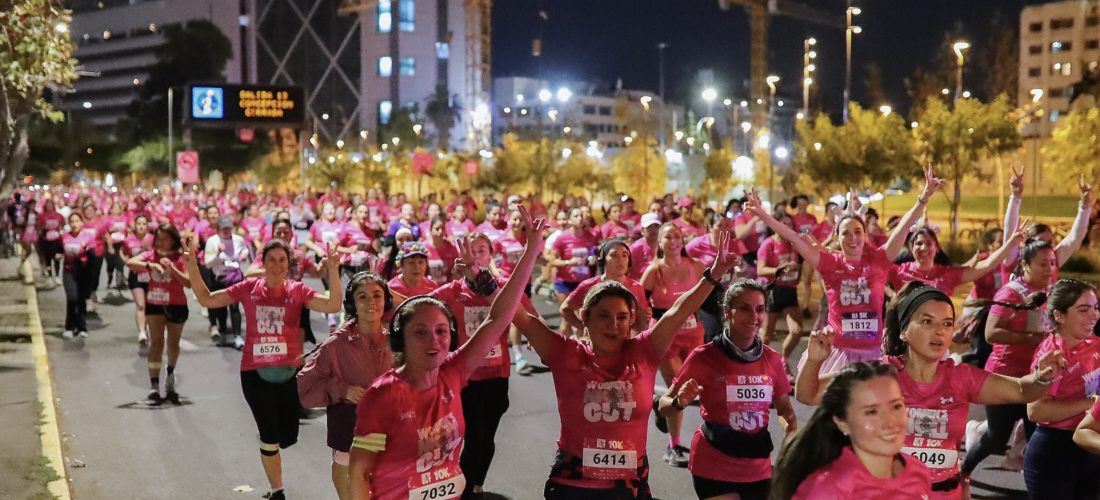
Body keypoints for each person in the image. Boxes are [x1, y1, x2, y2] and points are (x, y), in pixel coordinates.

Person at [509, 233, 740, 499]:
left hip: (630, 487)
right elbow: (519, 315)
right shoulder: (565, 352)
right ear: (585, 318)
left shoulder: (644, 351)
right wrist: (513, 264)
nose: (614, 325)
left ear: (631, 319)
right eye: (604, 316)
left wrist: (713, 276)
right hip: (573, 486)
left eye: (622, 317)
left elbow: (678, 310)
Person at [796, 282, 1064, 499]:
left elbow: (1021, 390)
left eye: (947, 323)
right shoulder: (880, 373)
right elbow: (808, 394)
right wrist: (814, 359)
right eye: (927, 321)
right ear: (903, 332)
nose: (939, 331)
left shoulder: (961, 378)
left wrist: (1042, 377)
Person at [346, 207, 543, 500]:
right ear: (401, 340)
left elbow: (501, 316)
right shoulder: (382, 395)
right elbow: (359, 475)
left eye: (441, 331)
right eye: (421, 332)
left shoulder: (453, 371)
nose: (434, 340)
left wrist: (530, 252)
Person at [184, 238, 344, 500]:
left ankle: (271, 438)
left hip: (289, 375)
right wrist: (192, 265)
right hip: (254, 373)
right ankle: (277, 490)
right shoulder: (250, 288)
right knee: (270, 434)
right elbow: (207, 299)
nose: (277, 265)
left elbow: (333, 306)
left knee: (288, 436)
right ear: (262, 262)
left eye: (282, 260)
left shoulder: (297, 290)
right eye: (271, 260)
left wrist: (334, 270)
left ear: (288, 264)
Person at [743, 166, 943, 373]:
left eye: (858, 232)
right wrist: (761, 213)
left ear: (865, 235)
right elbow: (793, 237)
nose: (853, 238)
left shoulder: (879, 259)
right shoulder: (830, 263)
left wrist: (924, 197)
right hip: (839, 355)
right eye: (845, 233)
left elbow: (904, 227)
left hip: (873, 353)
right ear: (837, 238)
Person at [657, 279, 797, 500]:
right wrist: (678, 402)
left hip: (757, 464)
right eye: (744, 308)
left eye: (760, 309)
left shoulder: (772, 359)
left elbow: (784, 410)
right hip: (714, 462)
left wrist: (792, 432)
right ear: (726, 311)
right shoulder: (704, 356)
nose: (754, 316)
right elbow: (664, 405)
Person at [427, 232, 541, 498]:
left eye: (481, 251)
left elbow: (532, 316)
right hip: (464, 378)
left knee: (487, 437)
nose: (476, 256)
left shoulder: (504, 287)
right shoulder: (451, 292)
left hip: (497, 375)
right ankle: (464, 492)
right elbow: (418, 311)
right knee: (474, 436)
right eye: (471, 251)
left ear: (490, 255)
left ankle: (477, 483)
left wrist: (538, 336)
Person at [961, 240, 1058, 476]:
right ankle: (962, 473)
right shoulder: (1012, 292)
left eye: (1053, 263)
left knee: (1038, 437)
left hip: (1036, 377)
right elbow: (991, 333)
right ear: (1025, 265)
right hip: (1004, 376)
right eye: (1043, 264)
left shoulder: (1051, 292)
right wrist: (1032, 336)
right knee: (997, 437)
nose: (1050, 269)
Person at [772, 361, 932, 500]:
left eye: (896, 406)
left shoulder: (917, 472)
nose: (890, 421)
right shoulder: (829, 490)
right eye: (871, 412)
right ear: (842, 423)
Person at [298, 272, 396, 500]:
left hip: (392, 445)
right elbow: (305, 388)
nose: (371, 302)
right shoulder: (335, 345)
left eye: (377, 295)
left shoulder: (398, 342)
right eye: (362, 297)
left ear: (386, 301)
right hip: (350, 450)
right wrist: (342, 391)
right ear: (352, 304)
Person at [1022, 279, 1100, 500]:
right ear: (1059, 316)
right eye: (1084, 310)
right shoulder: (1053, 355)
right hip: (1054, 455)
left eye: (1095, 308)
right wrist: (1093, 403)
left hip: (1090, 451)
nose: (1094, 316)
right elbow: (1036, 411)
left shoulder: (1094, 344)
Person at [642, 222, 710, 466]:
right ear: (659, 242)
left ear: (683, 240)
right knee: (680, 387)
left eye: (677, 236)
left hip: (694, 333)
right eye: (667, 237)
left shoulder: (696, 266)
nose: (673, 241)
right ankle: (674, 446)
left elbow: (711, 294)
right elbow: (640, 304)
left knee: (695, 388)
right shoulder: (653, 271)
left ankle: (661, 407)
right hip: (664, 335)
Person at [126, 222, 191, 403]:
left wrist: (173, 268)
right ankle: (154, 384)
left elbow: (189, 282)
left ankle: (170, 372)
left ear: (173, 240)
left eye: (166, 239)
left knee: (173, 343)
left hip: (176, 305)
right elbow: (130, 263)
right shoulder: (150, 256)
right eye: (159, 239)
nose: (162, 243)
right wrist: (149, 266)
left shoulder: (180, 257)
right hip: (155, 304)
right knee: (156, 344)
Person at [889, 225, 1024, 295]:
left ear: (937, 248)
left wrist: (1011, 242)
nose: (924, 248)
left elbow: (987, 265)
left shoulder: (947, 275)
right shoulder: (899, 272)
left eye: (929, 243)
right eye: (918, 244)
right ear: (911, 249)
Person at [561, 240, 652, 336]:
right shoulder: (589, 286)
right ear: (603, 260)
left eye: (624, 255)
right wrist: (583, 326)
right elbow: (565, 309)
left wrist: (645, 319)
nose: (620, 260)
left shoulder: (636, 288)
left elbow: (639, 324)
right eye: (614, 255)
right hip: (595, 345)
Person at [685, 211, 746, 344]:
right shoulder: (696, 245)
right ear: (710, 227)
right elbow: (683, 260)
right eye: (719, 225)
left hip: (722, 290)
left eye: (726, 225)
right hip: (702, 291)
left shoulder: (733, 244)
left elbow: (737, 268)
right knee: (711, 329)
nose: (724, 229)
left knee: (721, 329)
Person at [757, 212, 804, 379]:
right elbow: (760, 270)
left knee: (797, 331)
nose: (787, 227)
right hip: (772, 290)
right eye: (783, 223)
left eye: (789, 224)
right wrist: (778, 270)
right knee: (767, 335)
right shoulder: (768, 244)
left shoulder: (793, 245)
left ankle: (783, 362)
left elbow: (798, 266)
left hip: (789, 290)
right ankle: (754, 366)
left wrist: (795, 274)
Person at [205, 216, 250, 346]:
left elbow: (245, 249)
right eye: (223, 229)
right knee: (221, 307)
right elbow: (208, 263)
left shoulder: (238, 240)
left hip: (235, 276)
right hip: (219, 277)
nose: (226, 231)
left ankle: (237, 336)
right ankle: (222, 329)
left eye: (228, 228)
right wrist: (217, 253)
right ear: (218, 229)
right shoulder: (212, 242)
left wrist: (244, 254)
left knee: (235, 306)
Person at [547, 207, 599, 312]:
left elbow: (593, 254)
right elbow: (552, 261)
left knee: (583, 315)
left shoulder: (591, 236)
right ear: (569, 220)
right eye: (576, 216)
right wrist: (568, 263)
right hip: (564, 282)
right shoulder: (562, 238)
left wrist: (593, 259)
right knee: (568, 317)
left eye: (581, 216)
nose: (579, 218)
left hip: (583, 281)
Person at [60, 213, 94, 338]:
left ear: (81, 223)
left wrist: (86, 249)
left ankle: (81, 327)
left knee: (81, 299)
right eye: (72, 222)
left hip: (83, 271)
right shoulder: (64, 237)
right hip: (69, 270)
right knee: (72, 298)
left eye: (77, 221)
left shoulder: (88, 237)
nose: (74, 224)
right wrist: (58, 255)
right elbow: (59, 249)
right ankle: (69, 326)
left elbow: (93, 256)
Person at [122, 214, 154, 345]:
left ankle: (148, 327)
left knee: (150, 305)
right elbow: (122, 252)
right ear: (135, 225)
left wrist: (150, 249)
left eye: (144, 224)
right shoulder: (129, 240)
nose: (141, 227)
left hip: (151, 275)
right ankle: (142, 331)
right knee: (141, 304)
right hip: (135, 275)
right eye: (139, 224)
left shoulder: (153, 239)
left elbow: (160, 253)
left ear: (147, 226)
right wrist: (127, 262)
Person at [103, 201, 130, 292]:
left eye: (119, 208)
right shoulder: (107, 219)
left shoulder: (125, 218)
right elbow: (104, 231)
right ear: (111, 209)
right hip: (110, 243)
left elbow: (129, 229)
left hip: (121, 243)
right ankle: (110, 278)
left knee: (120, 262)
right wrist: (111, 230)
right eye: (115, 208)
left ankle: (119, 282)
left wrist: (127, 230)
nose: (117, 210)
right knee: (110, 263)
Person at [493, 209, 528, 279]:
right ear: (509, 220)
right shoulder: (502, 238)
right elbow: (490, 256)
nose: (517, 222)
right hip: (506, 278)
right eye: (515, 219)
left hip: (524, 278)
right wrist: (495, 270)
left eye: (521, 220)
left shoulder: (528, 238)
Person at [424, 217, 459, 284]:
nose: (440, 232)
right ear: (431, 230)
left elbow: (457, 269)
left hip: (447, 287)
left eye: (442, 229)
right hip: (429, 287)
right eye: (437, 229)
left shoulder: (452, 247)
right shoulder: (424, 247)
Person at [628, 213, 661, 281]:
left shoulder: (664, 246)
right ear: (642, 230)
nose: (653, 230)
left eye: (656, 226)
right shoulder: (635, 249)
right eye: (649, 227)